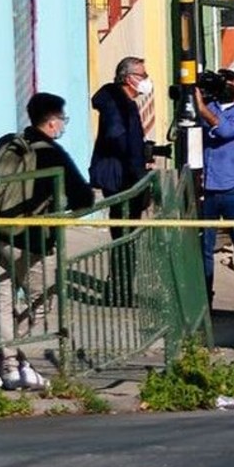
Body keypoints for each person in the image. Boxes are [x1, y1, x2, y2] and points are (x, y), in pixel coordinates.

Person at [0, 93, 95, 389]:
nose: (63, 126)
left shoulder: (6, 143)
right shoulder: (53, 152)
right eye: (63, 120)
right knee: (43, 298)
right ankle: (2, 354)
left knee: (3, 299)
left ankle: (10, 364)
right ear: (52, 122)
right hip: (28, 241)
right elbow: (85, 197)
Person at [192, 59, 234, 314]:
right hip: (209, 186)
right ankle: (204, 301)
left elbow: (224, 131)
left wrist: (203, 109)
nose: (229, 82)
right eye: (226, 77)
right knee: (204, 247)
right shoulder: (210, 106)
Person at [89, 56, 153, 304]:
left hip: (125, 175)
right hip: (121, 179)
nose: (147, 81)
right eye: (143, 75)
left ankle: (120, 288)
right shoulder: (117, 103)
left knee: (125, 236)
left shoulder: (124, 102)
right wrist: (137, 172)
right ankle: (120, 292)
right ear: (129, 78)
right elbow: (118, 136)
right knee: (124, 236)